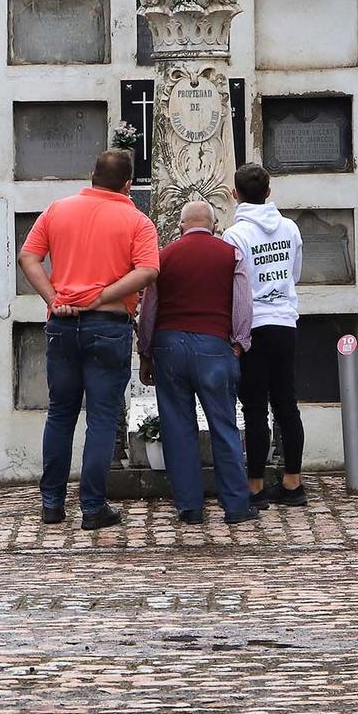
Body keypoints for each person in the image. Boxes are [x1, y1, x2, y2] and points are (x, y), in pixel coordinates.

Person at [17, 149, 160, 530]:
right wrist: (105, 295)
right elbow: (148, 271)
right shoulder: (137, 221)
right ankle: (93, 509)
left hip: (63, 324)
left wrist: (54, 298)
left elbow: (28, 257)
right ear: (128, 184)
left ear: (91, 175)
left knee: (60, 413)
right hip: (108, 326)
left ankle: (51, 503)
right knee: (101, 418)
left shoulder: (57, 209)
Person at [136, 200, 257, 526]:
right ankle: (235, 505)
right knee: (224, 426)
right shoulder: (230, 254)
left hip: (170, 346)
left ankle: (189, 507)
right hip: (214, 346)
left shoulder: (163, 256)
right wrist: (238, 343)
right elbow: (243, 302)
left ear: (180, 227)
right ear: (216, 226)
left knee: (177, 428)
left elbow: (150, 309)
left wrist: (145, 352)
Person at [225, 163, 307, 508]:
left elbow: (234, 285)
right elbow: (296, 272)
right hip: (285, 322)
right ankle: (293, 482)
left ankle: (255, 486)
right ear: (269, 192)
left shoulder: (235, 235)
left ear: (234, 194)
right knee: (286, 403)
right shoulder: (289, 228)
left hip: (253, 326)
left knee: (254, 407)